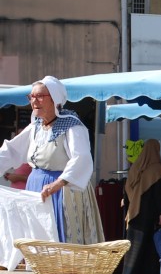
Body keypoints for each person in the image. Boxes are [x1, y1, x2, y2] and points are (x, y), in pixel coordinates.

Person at [0, 76, 104, 244]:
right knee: (37, 239)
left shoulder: (72, 126)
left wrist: (58, 183)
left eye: (40, 96)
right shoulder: (36, 127)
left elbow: (81, 157)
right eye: (31, 96)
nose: (34, 101)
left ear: (55, 99)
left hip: (62, 190)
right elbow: (11, 150)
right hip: (36, 188)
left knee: (60, 238)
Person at [121, 139, 161, 274]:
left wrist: (129, 208)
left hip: (134, 213)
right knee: (150, 245)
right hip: (150, 213)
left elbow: (127, 191)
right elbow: (159, 194)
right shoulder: (157, 170)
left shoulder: (135, 168)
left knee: (135, 244)